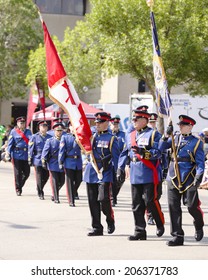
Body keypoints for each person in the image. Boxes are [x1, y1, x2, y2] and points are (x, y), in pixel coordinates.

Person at [117, 108, 165, 241]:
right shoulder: (130, 135)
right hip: (134, 172)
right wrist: (120, 168)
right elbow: (124, 152)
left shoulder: (154, 134)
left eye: (136, 119)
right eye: (133, 119)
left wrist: (143, 152)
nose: (134, 121)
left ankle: (159, 223)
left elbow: (158, 152)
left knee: (150, 200)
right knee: (136, 203)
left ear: (145, 120)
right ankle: (139, 231)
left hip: (149, 171)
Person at [159, 115, 205, 246]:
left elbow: (200, 163)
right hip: (173, 176)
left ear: (190, 126)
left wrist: (198, 177)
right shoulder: (175, 138)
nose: (180, 126)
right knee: (173, 207)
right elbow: (161, 147)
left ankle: (199, 224)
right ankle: (177, 236)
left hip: (189, 178)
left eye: (183, 125)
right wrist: (166, 135)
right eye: (179, 125)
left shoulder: (196, 142)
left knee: (191, 206)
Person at [83, 112, 120, 236]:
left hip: (105, 171)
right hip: (92, 170)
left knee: (103, 199)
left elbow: (116, 158)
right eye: (96, 122)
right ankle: (97, 227)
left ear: (107, 123)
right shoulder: (92, 137)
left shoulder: (112, 138)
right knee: (92, 201)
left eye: (100, 122)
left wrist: (117, 173)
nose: (97, 124)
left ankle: (110, 219)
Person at [5, 117, 32, 196]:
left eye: (23, 123)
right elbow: (10, 144)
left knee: (27, 173)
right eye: (20, 122)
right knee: (17, 174)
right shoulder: (13, 132)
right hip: (17, 155)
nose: (22, 124)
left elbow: (32, 142)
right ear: (17, 123)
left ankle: (20, 184)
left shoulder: (28, 132)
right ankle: (18, 189)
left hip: (26, 155)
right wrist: (8, 153)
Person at [58, 121, 83, 207]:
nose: (74, 127)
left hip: (78, 162)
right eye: (72, 126)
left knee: (79, 180)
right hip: (69, 161)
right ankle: (71, 200)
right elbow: (61, 150)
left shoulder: (80, 137)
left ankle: (74, 191)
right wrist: (60, 161)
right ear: (70, 127)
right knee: (70, 182)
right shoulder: (65, 137)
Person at [41, 122, 65, 203]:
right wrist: (43, 160)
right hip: (53, 163)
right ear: (54, 131)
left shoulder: (64, 140)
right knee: (54, 181)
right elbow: (45, 151)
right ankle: (56, 197)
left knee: (62, 181)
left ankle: (55, 192)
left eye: (60, 131)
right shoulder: (50, 141)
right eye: (58, 131)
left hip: (62, 163)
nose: (59, 132)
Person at [28, 120, 52, 200]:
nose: (44, 128)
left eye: (45, 126)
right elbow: (31, 149)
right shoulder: (34, 137)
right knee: (39, 176)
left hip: (47, 159)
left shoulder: (50, 137)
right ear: (39, 127)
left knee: (46, 176)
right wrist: (30, 158)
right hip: (37, 159)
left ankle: (39, 187)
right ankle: (40, 192)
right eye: (42, 126)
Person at [109, 115, 126, 206]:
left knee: (120, 180)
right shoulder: (108, 134)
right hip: (110, 161)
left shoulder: (123, 135)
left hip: (120, 162)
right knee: (111, 181)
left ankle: (114, 195)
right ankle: (112, 198)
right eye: (113, 124)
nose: (115, 126)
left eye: (116, 124)